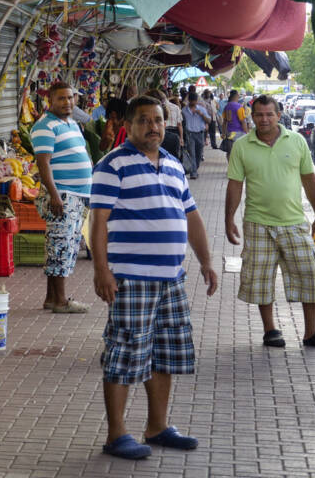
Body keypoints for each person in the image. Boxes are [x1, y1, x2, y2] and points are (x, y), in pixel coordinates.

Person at [89, 95, 218, 460]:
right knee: (124, 354)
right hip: (131, 277)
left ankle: (157, 426)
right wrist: (102, 270)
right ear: (128, 125)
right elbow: (98, 221)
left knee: (164, 354)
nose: (153, 127)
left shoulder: (174, 165)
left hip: (171, 278)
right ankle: (117, 435)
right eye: (144, 120)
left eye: (158, 120)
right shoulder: (112, 165)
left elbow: (191, 217)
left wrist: (206, 261)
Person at [225, 95, 315, 351]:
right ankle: (270, 330)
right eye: (259, 115)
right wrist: (228, 218)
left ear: (279, 115)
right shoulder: (242, 146)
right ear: (252, 116)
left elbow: (310, 180)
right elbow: (235, 184)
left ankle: (312, 333)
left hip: (294, 222)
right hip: (257, 223)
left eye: (269, 114)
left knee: (309, 275)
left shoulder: (297, 141)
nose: (264, 119)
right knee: (261, 279)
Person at [30, 83, 95, 313]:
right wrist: (55, 195)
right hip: (63, 195)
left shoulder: (72, 124)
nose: (67, 102)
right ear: (50, 101)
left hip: (77, 195)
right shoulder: (45, 126)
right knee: (61, 246)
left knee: (65, 245)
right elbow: (43, 163)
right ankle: (61, 301)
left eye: (70, 98)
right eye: (61, 99)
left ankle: (51, 297)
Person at [180, 90, 207, 179]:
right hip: (189, 134)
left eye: (194, 101)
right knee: (192, 153)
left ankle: (195, 167)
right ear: (189, 101)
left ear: (196, 101)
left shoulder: (201, 109)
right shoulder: (184, 111)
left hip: (200, 134)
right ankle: (193, 173)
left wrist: (201, 114)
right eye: (191, 101)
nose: (193, 103)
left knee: (199, 154)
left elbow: (209, 120)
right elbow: (182, 123)